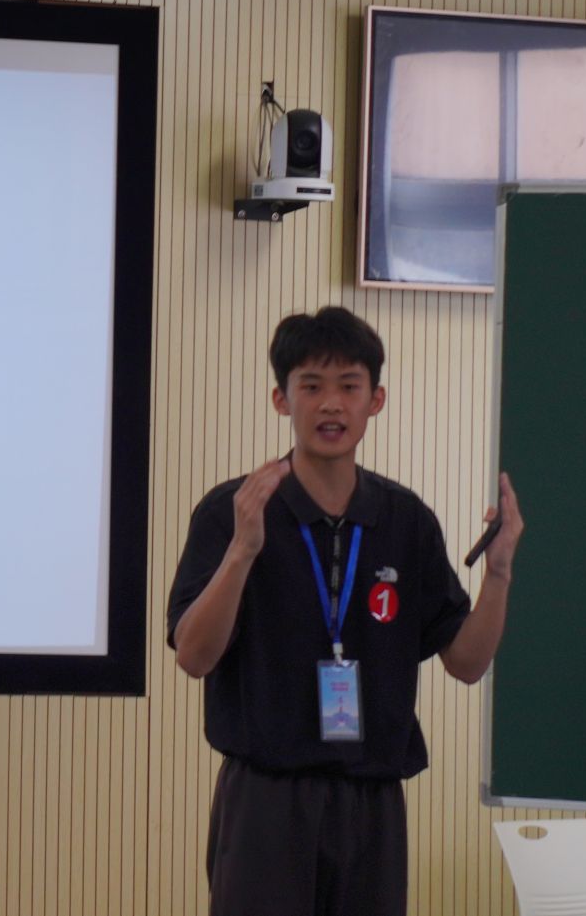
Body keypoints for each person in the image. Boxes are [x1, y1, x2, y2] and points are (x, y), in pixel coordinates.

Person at [167, 306, 524, 916]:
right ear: (281, 399)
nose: (330, 404)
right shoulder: (233, 510)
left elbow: (467, 664)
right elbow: (194, 657)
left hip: (372, 801)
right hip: (266, 799)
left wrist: (499, 573)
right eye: (311, 386)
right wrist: (243, 551)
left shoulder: (406, 520)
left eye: (349, 387)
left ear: (375, 400)